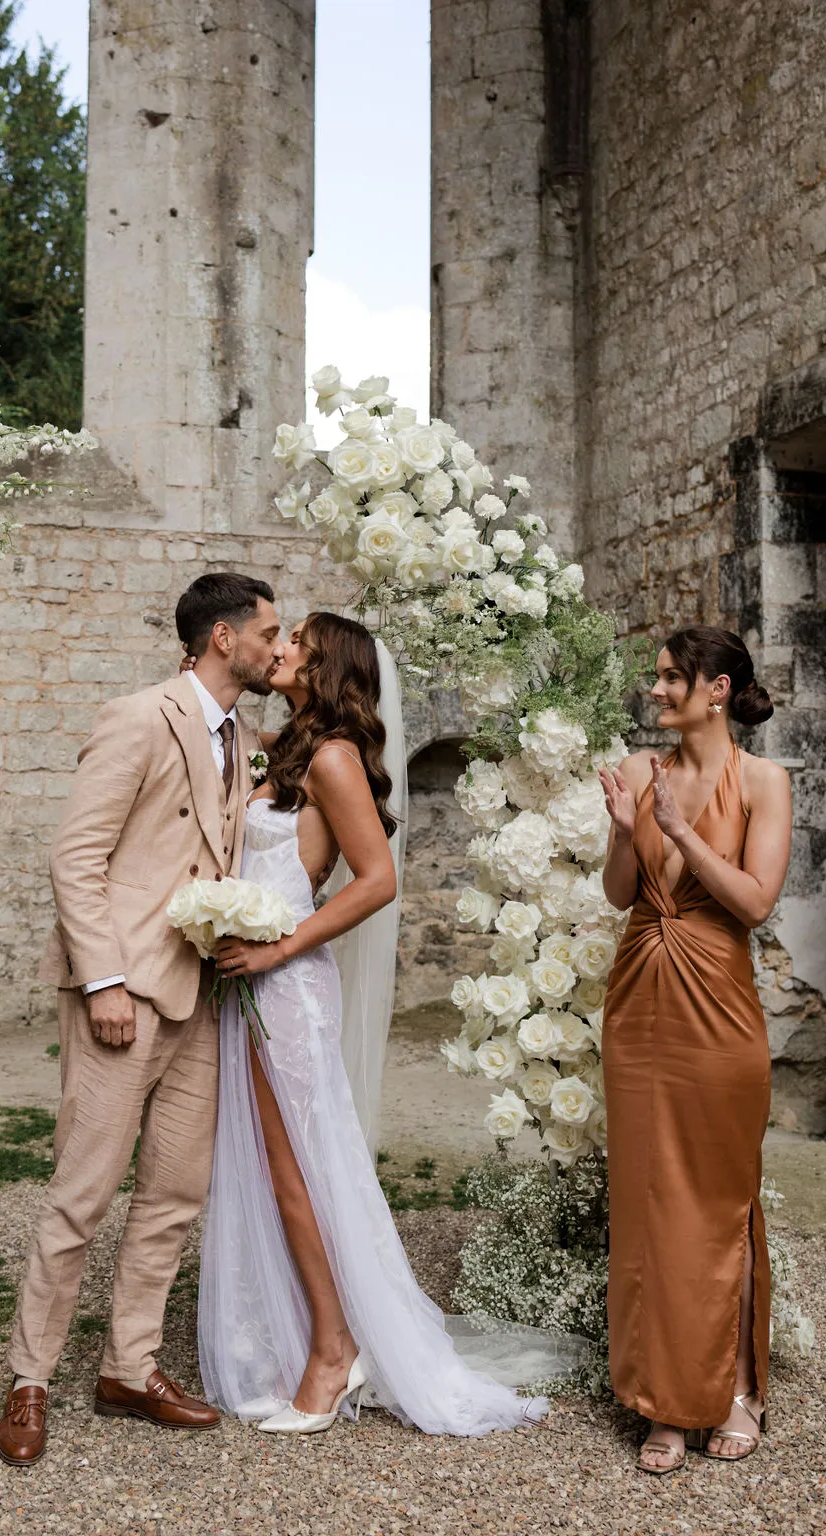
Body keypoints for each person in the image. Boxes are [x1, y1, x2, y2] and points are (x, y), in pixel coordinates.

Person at [197, 612, 546, 1436]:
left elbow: (376, 879)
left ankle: (334, 1348)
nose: (278, 648)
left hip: (286, 984)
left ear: (327, 668)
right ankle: (304, 1333)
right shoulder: (284, 750)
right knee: (279, 1169)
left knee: (301, 1172)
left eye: (296, 644)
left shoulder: (334, 757)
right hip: (251, 982)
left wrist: (280, 947)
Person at [0, 573, 282, 1466]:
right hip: (125, 991)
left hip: (203, 993)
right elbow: (76, 857)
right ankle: (29, 1378)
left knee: (173, 1196)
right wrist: (104, 980)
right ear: (224, 638)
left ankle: (129, 1365)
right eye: (270, 632)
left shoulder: (246, 736)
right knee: (83, 1191)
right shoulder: (137, 716)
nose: (281, 646)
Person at [598, 626, 791, 1475]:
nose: (658, 690)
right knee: (649, 1203)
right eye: (658, 677)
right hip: (639, 1001)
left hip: (719, 1006)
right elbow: (617, 894)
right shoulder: (643, 772)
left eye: (674, 678)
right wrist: (622, 830)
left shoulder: (764, 780)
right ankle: (664, 1402)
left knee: (715, 1199)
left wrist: (681, 831)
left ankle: (737, 1390)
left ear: (718, 690)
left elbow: (753, 899)